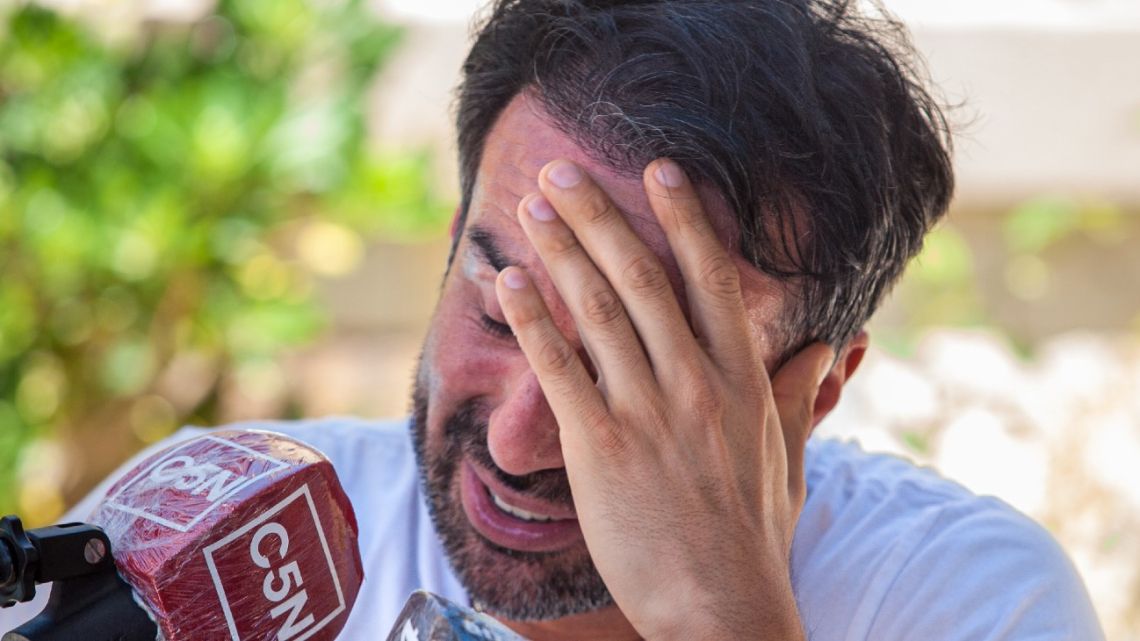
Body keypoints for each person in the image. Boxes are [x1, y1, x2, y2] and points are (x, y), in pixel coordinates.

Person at [1, 0, 1105, 639]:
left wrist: (719, 610)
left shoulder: (965, 599)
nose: (522, 440)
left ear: (812, 395)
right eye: (501, 306)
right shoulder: (232, 532)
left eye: (629, 362)